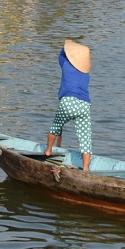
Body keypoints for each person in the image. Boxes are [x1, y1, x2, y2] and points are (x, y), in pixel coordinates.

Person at [45, 39, 93, 171]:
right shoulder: (86, 74)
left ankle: (48, 150)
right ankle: (85, 167)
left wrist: (67, 45)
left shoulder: (66, 64)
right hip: (84, 104)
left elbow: (61, 55)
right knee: (85, 138)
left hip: (68, 101)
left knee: (56, 126)